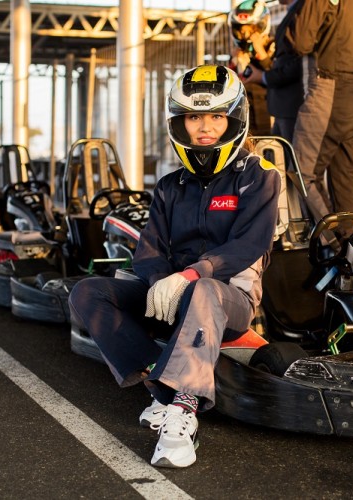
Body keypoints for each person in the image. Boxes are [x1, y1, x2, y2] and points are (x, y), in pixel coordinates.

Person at [69, 65, 281, 469]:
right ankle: (162, 390)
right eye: (195, 117)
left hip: (227, 299)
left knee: (202, 291)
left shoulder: (258, 177)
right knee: (87, 293)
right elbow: (149, 249)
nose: (205, 127)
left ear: (233, 119)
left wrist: (190, 275)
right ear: (180, 122)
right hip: (174, 297)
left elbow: (250, 245)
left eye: (216, 117)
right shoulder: (170, 186)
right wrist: (158, 282)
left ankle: (183, 411)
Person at [286, 0, 353, 221]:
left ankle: (334, 242)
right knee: (346, 176)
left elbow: (300, 42)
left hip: (328, 88)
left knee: (302, 173)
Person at [241, 0, 305, 143]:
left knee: (292, 157)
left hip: (288, 107)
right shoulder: (292, 13)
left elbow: (293, 65)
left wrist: (263, 72)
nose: (246, 35)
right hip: (277, 109)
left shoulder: (301, 14)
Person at [228, 0, 273, 135]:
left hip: (268, 109)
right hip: (246, 110)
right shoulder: (238, 52)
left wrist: (261, 52)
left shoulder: (272, 46)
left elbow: (276, 74)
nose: (245, 35)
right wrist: (235, 62)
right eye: (241, 31)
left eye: (250, 31)